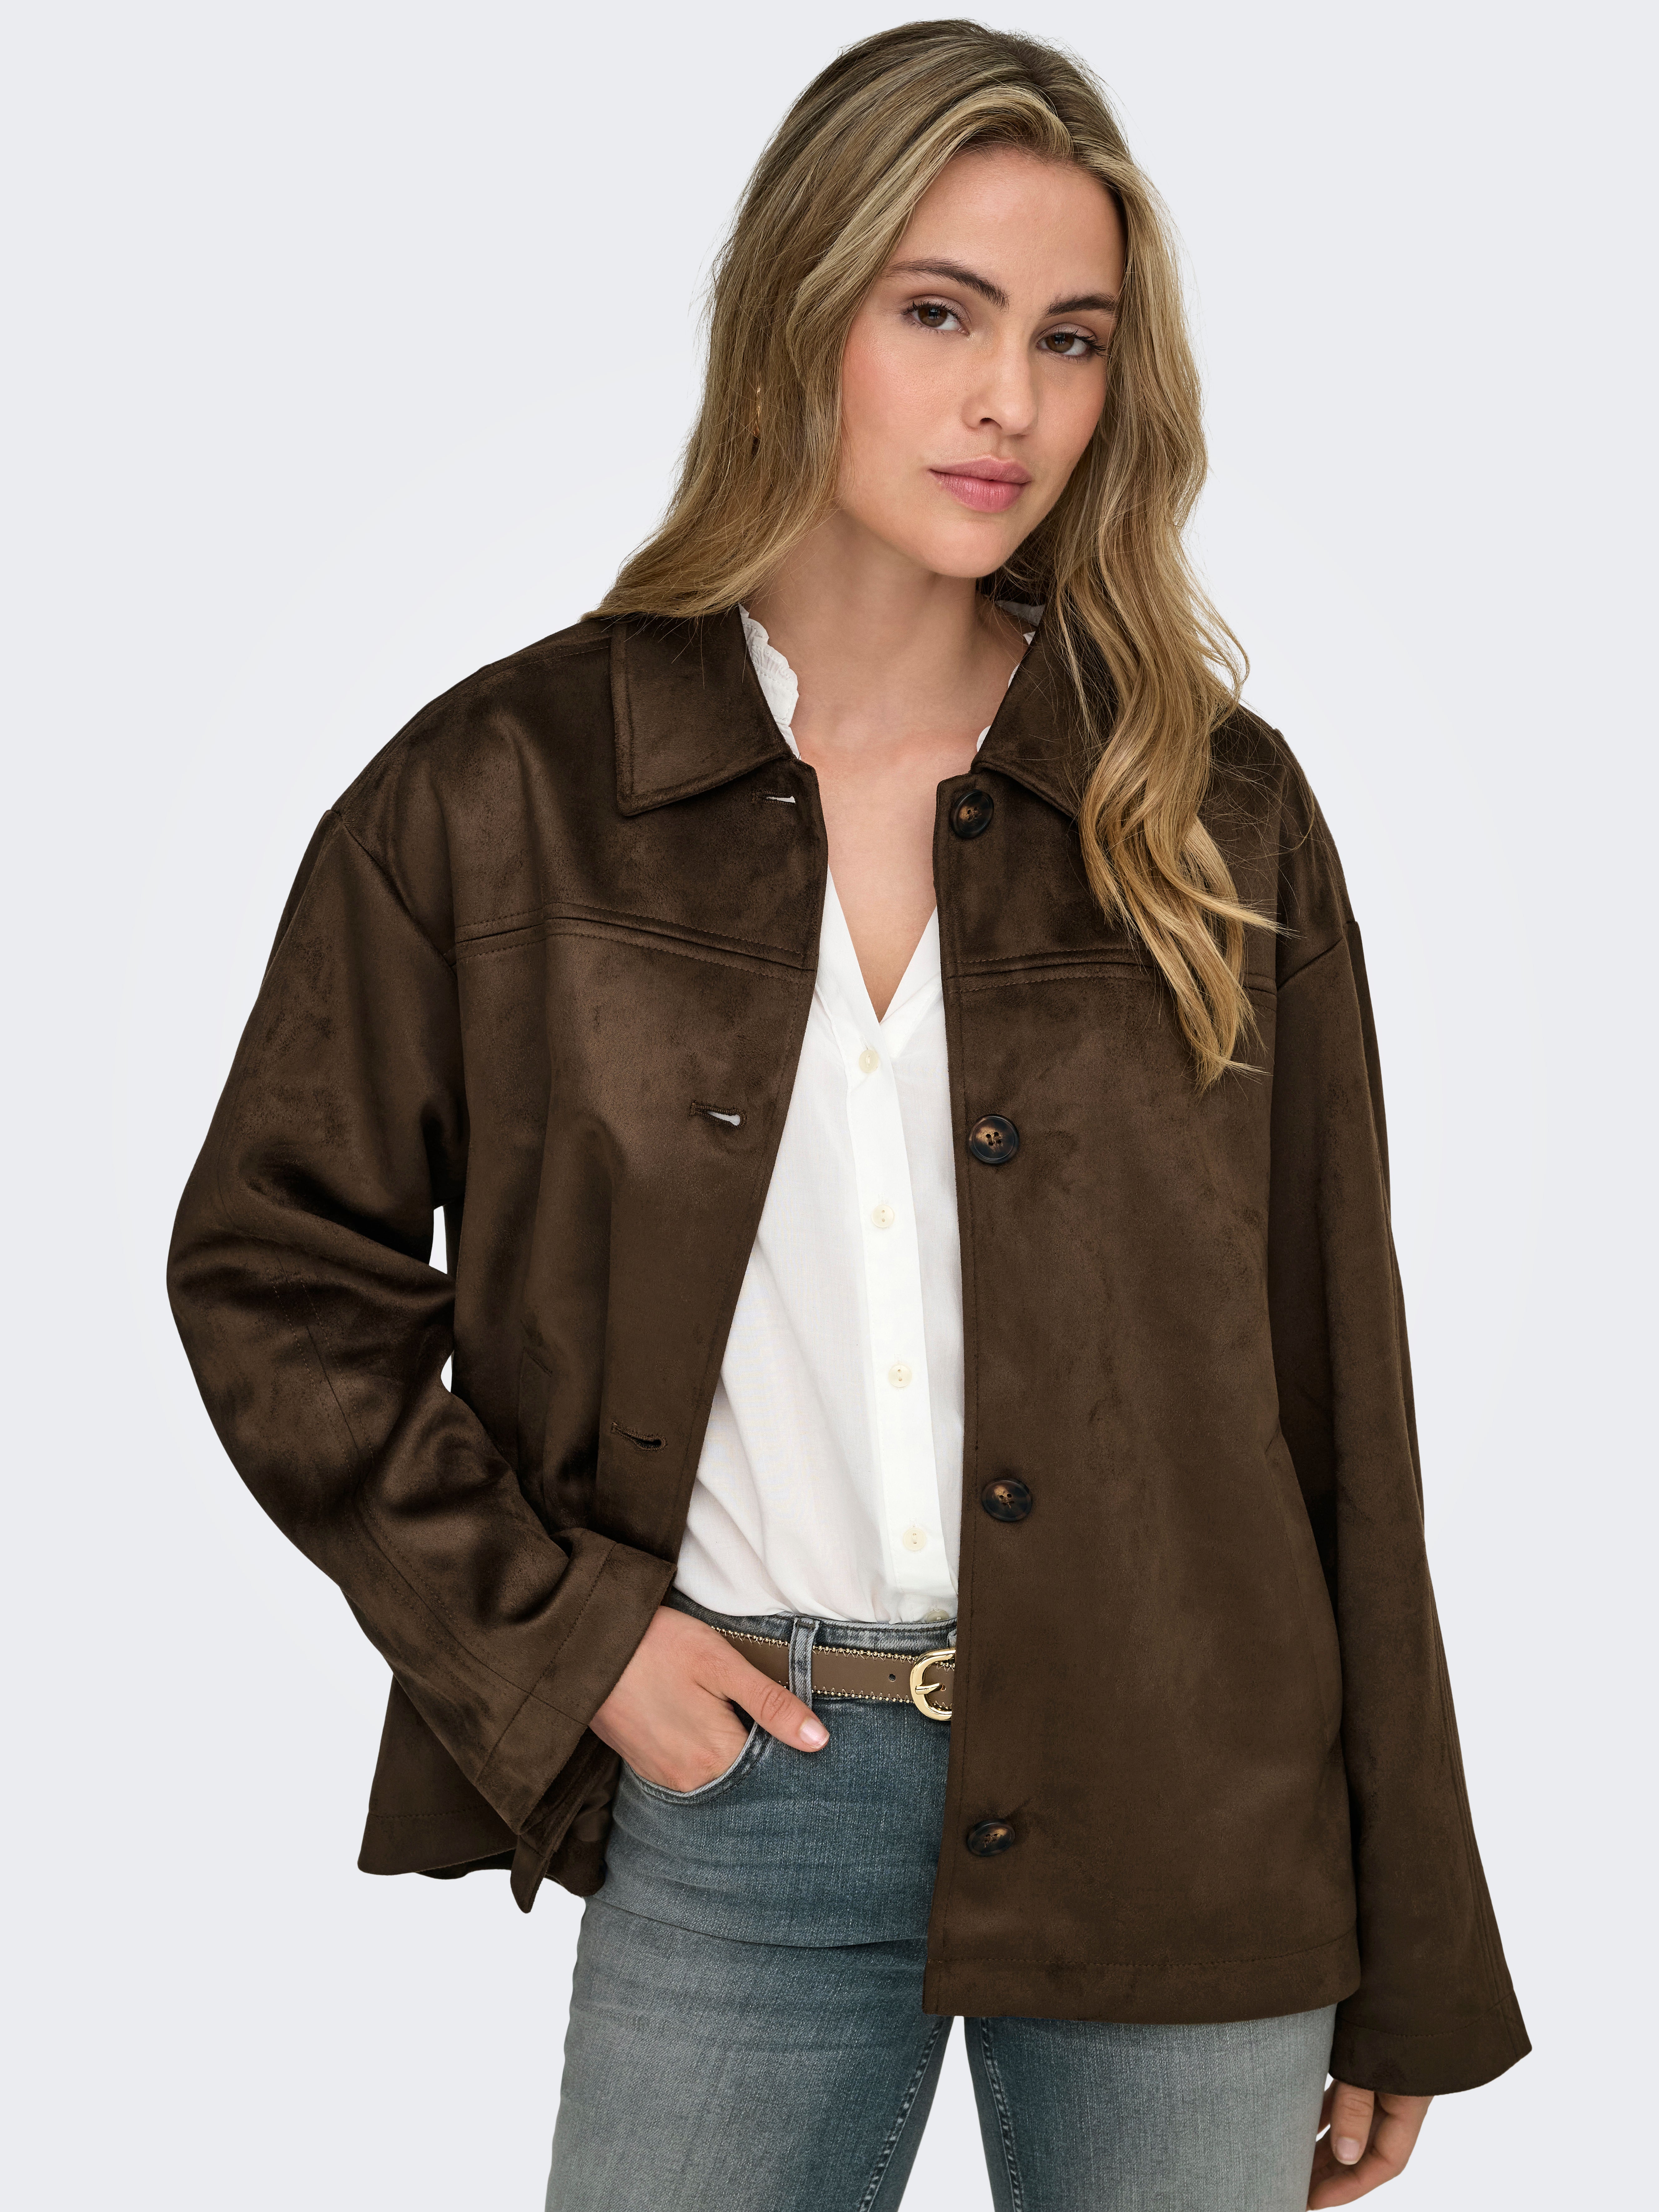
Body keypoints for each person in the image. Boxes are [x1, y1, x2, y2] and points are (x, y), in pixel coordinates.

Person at [166, 20, 1528, 2211]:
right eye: (941, 315)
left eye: (1070, 339)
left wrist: (1418, 1960)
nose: (1013, 404)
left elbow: (1337, 1397)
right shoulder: (510, 796)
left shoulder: (1212, 809)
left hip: (1189, 1805)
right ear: (799, 316)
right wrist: (570, 1642)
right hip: (743, 1791)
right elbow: (272, 1272)